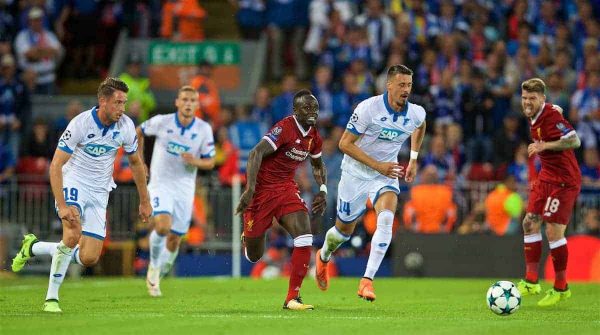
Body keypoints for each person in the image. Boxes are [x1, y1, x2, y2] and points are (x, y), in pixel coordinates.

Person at [10, 78, 152, 313]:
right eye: (118, 102)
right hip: (73, 183)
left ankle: (33, 247)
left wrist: (145, 200)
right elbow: (55, 165)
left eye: (124, 103)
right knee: (73, 233)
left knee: (89, 257)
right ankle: (51, 298)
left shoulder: (125, 126)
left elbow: (136, 163)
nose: (122, 108)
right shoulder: (80, 124)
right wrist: (64, 205)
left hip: (100, 191)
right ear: (103, 101)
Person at [315, 64, 426, 301]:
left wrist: (414, 159)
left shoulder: (415, 112)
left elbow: (421, 125)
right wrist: (377, 165)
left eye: (409, 85)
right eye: (401, 85)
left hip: (384, 175)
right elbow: (344, 144)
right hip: (355, 173)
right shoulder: (368, 109)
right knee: (343, 232)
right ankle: (323, 255)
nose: (406, 89)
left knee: (386, 220)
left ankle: (367, 281)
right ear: (389, 85)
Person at [235, 89, 327, 310]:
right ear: (296, 111)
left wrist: (323, 189)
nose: (312, 112)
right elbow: (255, 153)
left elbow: (317, 165)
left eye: (314, 107)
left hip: (286, 188)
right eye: (306, 108)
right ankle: (249, 239)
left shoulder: (314, 136)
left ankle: (292, 298)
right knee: (254, 256)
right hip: (261, 191)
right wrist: (250, 189)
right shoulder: (285, 128)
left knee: (304, 235)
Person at [137, 86, 215, 297]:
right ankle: (153, 266)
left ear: (197, 105)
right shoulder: (163, 121)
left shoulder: (203, 129)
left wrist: (196, 161)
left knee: (175, 239)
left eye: (192, 100)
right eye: (185, 99)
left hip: (185, 188)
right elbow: (139, 131)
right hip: (161, 183)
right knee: (163, 226)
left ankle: (159, 274)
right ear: (177, 102)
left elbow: (211, 161)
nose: (188, 103)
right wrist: (140, 162)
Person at [517, 78, 581, 307]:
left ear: (542, 98)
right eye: (524, 98)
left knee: (553, 231)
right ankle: (531, 281)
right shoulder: (541, 112)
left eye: (532, 99)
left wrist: (545, 146)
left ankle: (561, 287)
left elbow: (574, 140)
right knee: (529, 222)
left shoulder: (551, 116)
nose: (527, 103)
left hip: (564, 181)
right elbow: (557, 109)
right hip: (546, 177)